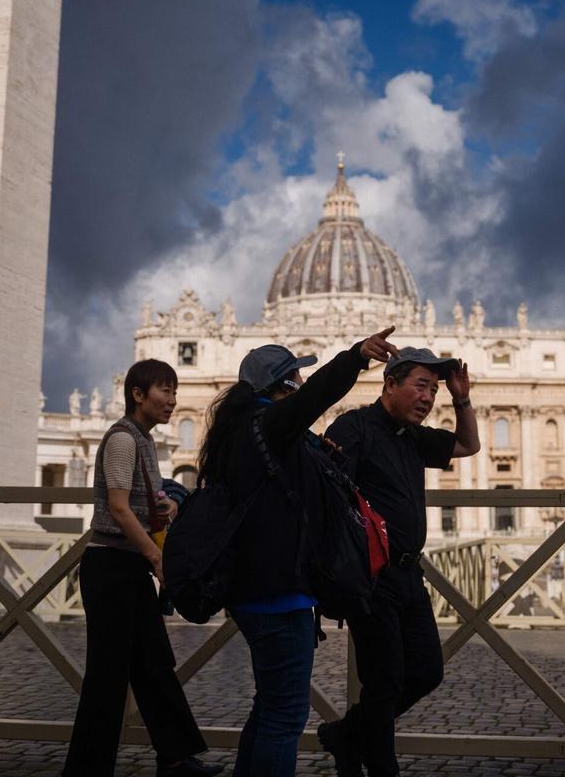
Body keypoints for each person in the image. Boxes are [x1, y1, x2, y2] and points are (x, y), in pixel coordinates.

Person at [197, 328, 399, 777]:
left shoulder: (243, 432)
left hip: (253, 587)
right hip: (276, 589)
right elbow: (316, 399)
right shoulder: (268, 423)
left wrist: (314, 453)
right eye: (297, 379)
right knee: (286, 716)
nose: (303, 386)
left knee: (270, 706)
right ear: (283, 385)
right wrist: (355, 357)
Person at [318, 347, 479, 777]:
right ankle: (379, 765)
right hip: (372, 573)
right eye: (421, 386)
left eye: (434, 390)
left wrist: (461, 399)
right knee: (384, 680)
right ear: (390, 384)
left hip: (409, 572)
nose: (429, 398)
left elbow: (468, 444)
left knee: (426, 671)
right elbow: (328, 495)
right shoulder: (353, 429)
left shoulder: (413, 436)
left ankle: (347, 736)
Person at [64, 359, 220, 777]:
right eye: (164, 391)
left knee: (154, 665)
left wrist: (165, 506)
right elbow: (116, 507)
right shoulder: (122, 439)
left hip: (129, 566)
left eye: (174, 392)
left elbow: (134, 502)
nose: (172, 400)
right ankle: (86, 770)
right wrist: (157, 558)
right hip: (111, 566)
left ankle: (175, 758)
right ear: (138, 394)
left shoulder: (145, 441)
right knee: (107, 676)